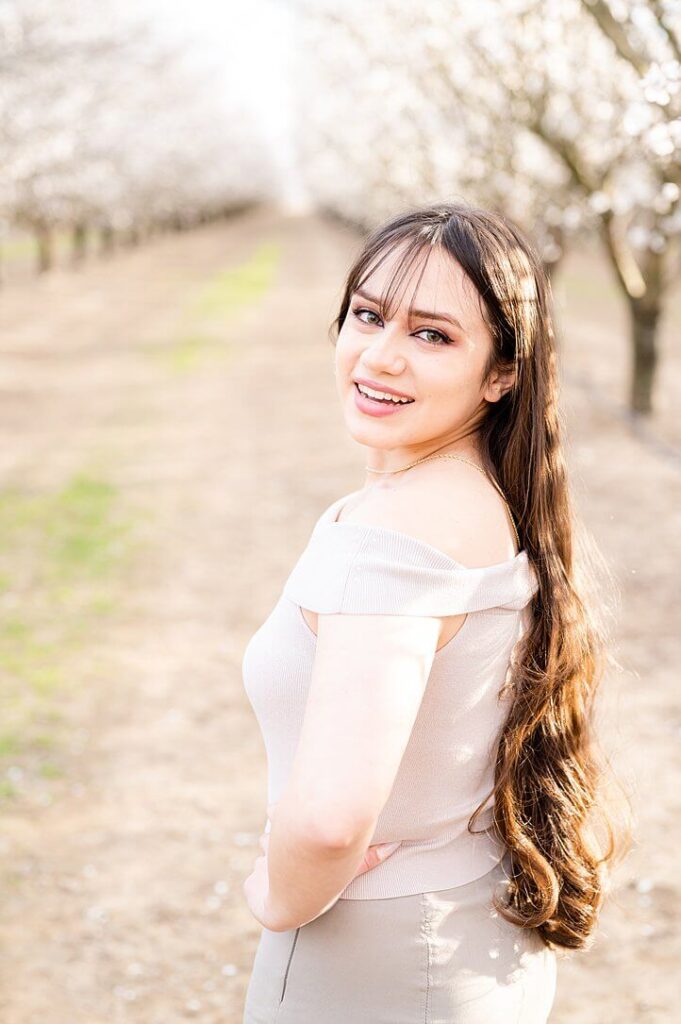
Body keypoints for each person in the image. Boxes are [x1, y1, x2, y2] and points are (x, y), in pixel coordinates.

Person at [240, 201, 629, 1023]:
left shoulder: (390, 536)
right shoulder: (493, 499)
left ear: (501, 373)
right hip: (472, 941)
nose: (379, 357)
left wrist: (273, 893)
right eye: (368, 315)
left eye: (432, 335)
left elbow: (329, 821)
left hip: (372, 965)